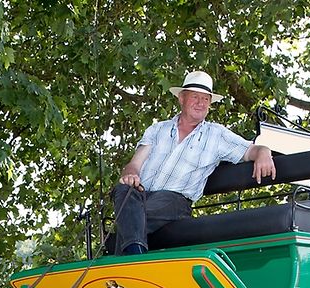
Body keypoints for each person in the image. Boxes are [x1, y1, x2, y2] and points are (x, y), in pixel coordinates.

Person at [111, 70, 276, 256]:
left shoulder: (216, 135)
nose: (200, 103)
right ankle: (135, 257)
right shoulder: (157, 129)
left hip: (174, 201)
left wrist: (264, 152)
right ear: (181, 98)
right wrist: (130, 173)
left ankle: (131, 261)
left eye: (206, 99)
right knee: (123, 190)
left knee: (131, 216)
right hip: (140, 194)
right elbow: (135, 164)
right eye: (195, 97)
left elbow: (250, 150)